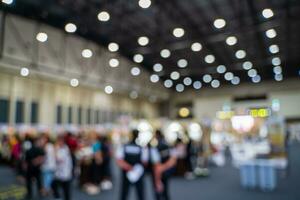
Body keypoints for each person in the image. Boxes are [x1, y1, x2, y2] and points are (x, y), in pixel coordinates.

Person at [116, 129, 149, 200]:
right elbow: (145, 161)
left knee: (124, 193)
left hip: (126, 172)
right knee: (140, 193)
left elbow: (119, 160)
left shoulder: (124, 146)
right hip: (138, 172)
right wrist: (134, 168)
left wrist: (128, 167)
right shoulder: (142, 147)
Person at [151, 130, 177, 200]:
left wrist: (157, 180)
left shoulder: (155, 148)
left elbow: (157, 166)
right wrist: (165, 167)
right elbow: (173, 160)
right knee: (165, 190)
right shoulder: (169, 146)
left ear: (156, 136)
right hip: (166, 171)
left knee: (158, 191)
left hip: (158, 172)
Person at [51, 136, 73, 200]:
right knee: (55, 185)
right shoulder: (62, 148)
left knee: (65, 190)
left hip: (65, 173)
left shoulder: (64, 149)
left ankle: (58, 197)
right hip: (61, 173)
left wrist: (55, 151)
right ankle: (58, 197)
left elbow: (58, 159)